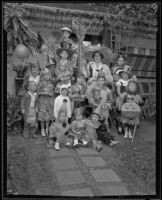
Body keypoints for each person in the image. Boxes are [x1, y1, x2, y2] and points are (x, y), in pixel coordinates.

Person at [37, 68, 54, 137]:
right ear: (42, 76)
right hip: (42, 101)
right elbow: (37, 92)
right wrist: (45, 93)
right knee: (42, 116)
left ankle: (47, 129)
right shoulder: (40, 83)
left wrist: (51, 94)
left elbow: (52, 92)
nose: (47, 76)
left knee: (48, 116)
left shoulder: (51, 83)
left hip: (49, 101)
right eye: (45, 75)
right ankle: (42, 129)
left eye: (48, 74)